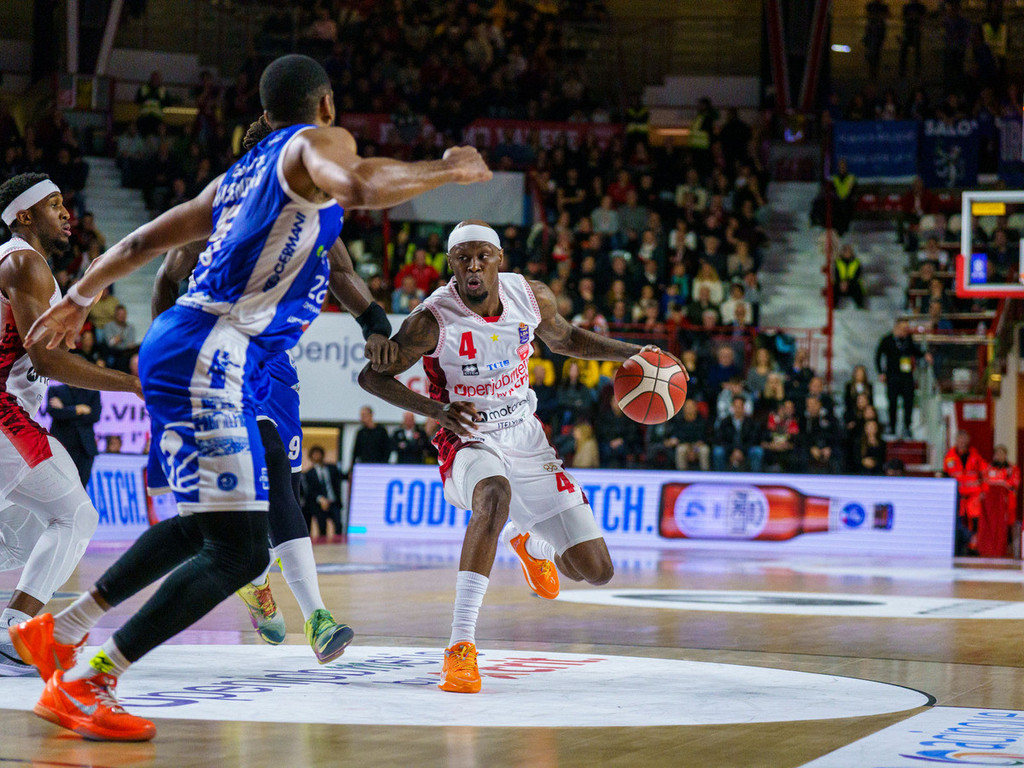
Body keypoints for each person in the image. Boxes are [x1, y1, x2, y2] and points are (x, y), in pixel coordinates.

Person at [12, 54, 490, 739]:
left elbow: (146, 239)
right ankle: (89, 681)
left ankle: (59, 630)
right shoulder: (315, 142)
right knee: (239, 553)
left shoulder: (238, 179)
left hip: (181, 346)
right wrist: (449, 169)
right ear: (325, 106)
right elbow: (359, 182)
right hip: (214, 354)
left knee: (208, 527)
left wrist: (82, 297)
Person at [357, 220, 684, 694]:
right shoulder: (431, 321)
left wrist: (635, 354)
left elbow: (566, 339)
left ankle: (532, 545)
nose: (473, 267)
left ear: (499, 260)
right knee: (494, 495)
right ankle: (460, 646)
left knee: (596, 570)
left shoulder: (531, 297)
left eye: (482, 257)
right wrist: (438, 411)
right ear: (450, 265)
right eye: (463, 259)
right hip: (467, 436)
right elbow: (371, 378)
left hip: (526, 436)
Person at [149, 211, 392, 662]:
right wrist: (167, 348)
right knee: (272, 459)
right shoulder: (217, 216)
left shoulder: (314, 214)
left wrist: (374, 322)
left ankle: (255, 579)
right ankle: (317, 617)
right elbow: (166, 278)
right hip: (216, 354)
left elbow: (341, 273)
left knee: (285, 490)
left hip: (274, 361)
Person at [0, 173, 141, 676]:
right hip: (5, 414)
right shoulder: (24, 262)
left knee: (23, 534)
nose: (66, 212)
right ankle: (14, 633)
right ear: (24, 216)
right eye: (53, 204)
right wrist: (132, 383)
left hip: (13, 413)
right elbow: (49, 360)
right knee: (75, 515)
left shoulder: (25, 265)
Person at [875, 319, 931, 438]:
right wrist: (881, 372)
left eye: (907, 328)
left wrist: (924, 355)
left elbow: (914, 351)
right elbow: (878, 355)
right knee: (892, 402)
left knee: (908, 402)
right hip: (892, 376)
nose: (905, 331)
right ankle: (892, 426)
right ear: (896, 328)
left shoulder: (908, 339)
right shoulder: (887, 340)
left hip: (906, 376)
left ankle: (907, 427)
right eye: (903, 328)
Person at [45, 382, 100, 487]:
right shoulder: (55, 390)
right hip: (61, 446)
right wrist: (78, 409)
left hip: (85, 448)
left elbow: (94, 416)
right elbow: (54, 413)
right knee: (58, 486)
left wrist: (65, 409)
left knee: (81, 487)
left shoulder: (92, 392)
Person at [943, 430, 986, 556]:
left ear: (968, 440)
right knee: (958, 522)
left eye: (964, 438)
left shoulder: (975, 456)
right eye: (960, 438)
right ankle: (959, 547)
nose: (962, 441)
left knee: (975, 522)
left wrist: (984, 491)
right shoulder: (949, 457)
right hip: (957, 496)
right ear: (956, 440)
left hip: (974, 496)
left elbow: (985, 474)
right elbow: (946, 475)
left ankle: (974, 547)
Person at [979, 445, 1018, 558]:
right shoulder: (988, 468)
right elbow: (985, 482)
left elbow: (1014, 483)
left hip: (1006, 503)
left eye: (1001, 453)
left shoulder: (1012, 469)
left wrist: (1001, 483)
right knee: (989, 526)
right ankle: (989, 549)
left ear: (1005, 455)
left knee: (1006, 527)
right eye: (997, 453)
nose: (999, 456)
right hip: (990, 504)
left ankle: (1006, 550)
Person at [302, 445, 344, 542]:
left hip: (333, 502)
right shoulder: (309, 473)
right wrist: (320, 499)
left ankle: (339, 544)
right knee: (322, 527)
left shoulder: (332, 468)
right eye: (314, 454)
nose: (317, 456)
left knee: (338, 524)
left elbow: (342, 477)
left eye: (318, 454)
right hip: (318, 504)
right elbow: (310, 491)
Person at [833, 244, 866, 309]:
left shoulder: (857, 262)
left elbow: (858, 275)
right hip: (840, 284)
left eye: (848, 252)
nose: (847, 254)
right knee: (833, 288)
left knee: (858, 288)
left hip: (852, 283)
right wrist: (842, 282)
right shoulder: (838, 262)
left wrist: (847, 282)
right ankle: (834, 307)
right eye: (845, 252)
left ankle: (861, 307)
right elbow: (836, 274)